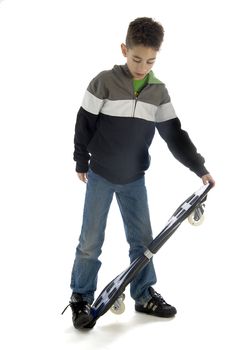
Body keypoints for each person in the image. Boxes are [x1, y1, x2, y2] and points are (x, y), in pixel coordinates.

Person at [63, 17, 215, 329]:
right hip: (101, 175)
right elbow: (84, 123)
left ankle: (144, 294)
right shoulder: (103, 82)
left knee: (143, 240)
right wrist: (81, 160)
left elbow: (174, 135)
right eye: (136, 59)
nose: (142, 66)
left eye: (150, 61)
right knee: (90, 240)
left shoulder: (158, 92)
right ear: (124, 49)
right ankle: (81, 296)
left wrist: (199, 168)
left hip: (134, 178)